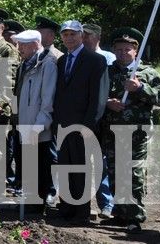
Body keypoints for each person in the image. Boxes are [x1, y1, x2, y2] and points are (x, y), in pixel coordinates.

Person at [100, 28, 160, 233]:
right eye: (119, 49)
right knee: (115, 172)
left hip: (136, 134)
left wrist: (140, 88)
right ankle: (120, 214)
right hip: (111, 132)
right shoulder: (107, 71)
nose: (123, 53)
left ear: (135, 51)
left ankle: (135, 216)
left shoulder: (147, 72)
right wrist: (107, 103)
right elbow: (95, 96)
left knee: (132, 173)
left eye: (127, 49)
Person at [52, 20, 108, 224]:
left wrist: (88, 126)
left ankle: (81, 212)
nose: (69, 38)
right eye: (65, 35)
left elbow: (98, 99)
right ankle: (66, 208)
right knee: (65, 166)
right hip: (63, 123)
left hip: (83, 125)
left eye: (73, 34)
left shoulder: (95, 60)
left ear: (81, 36)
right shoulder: (61, 60)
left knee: (81, 168)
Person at [12, 29, 57, 214]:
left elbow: (48, 99)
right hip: (24, 123)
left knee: (41, 169)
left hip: (38, 128)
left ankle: (39, 209)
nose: (19, 48)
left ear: (35, 45)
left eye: (22, 45)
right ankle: (31, 204)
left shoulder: (47, 64)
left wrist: (38, 126)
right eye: (19, 44)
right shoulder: (25, 64)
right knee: (28, 167)